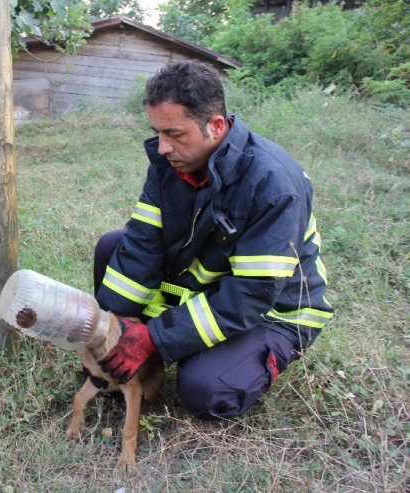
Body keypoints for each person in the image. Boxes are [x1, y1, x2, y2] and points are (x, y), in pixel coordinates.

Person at [95, 61, 334, 420]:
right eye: (157, 133)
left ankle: (236, 357)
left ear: (216, 126)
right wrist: (113, 329)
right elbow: (144, 241)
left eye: (174, 134)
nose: (162, 148)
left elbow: (251, 295)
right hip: (213, 288)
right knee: (113, 245)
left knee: (206, 390)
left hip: (273, 311)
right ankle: (156, 346)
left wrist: (154, 337)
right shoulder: (170, 164)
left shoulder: (273, 185)